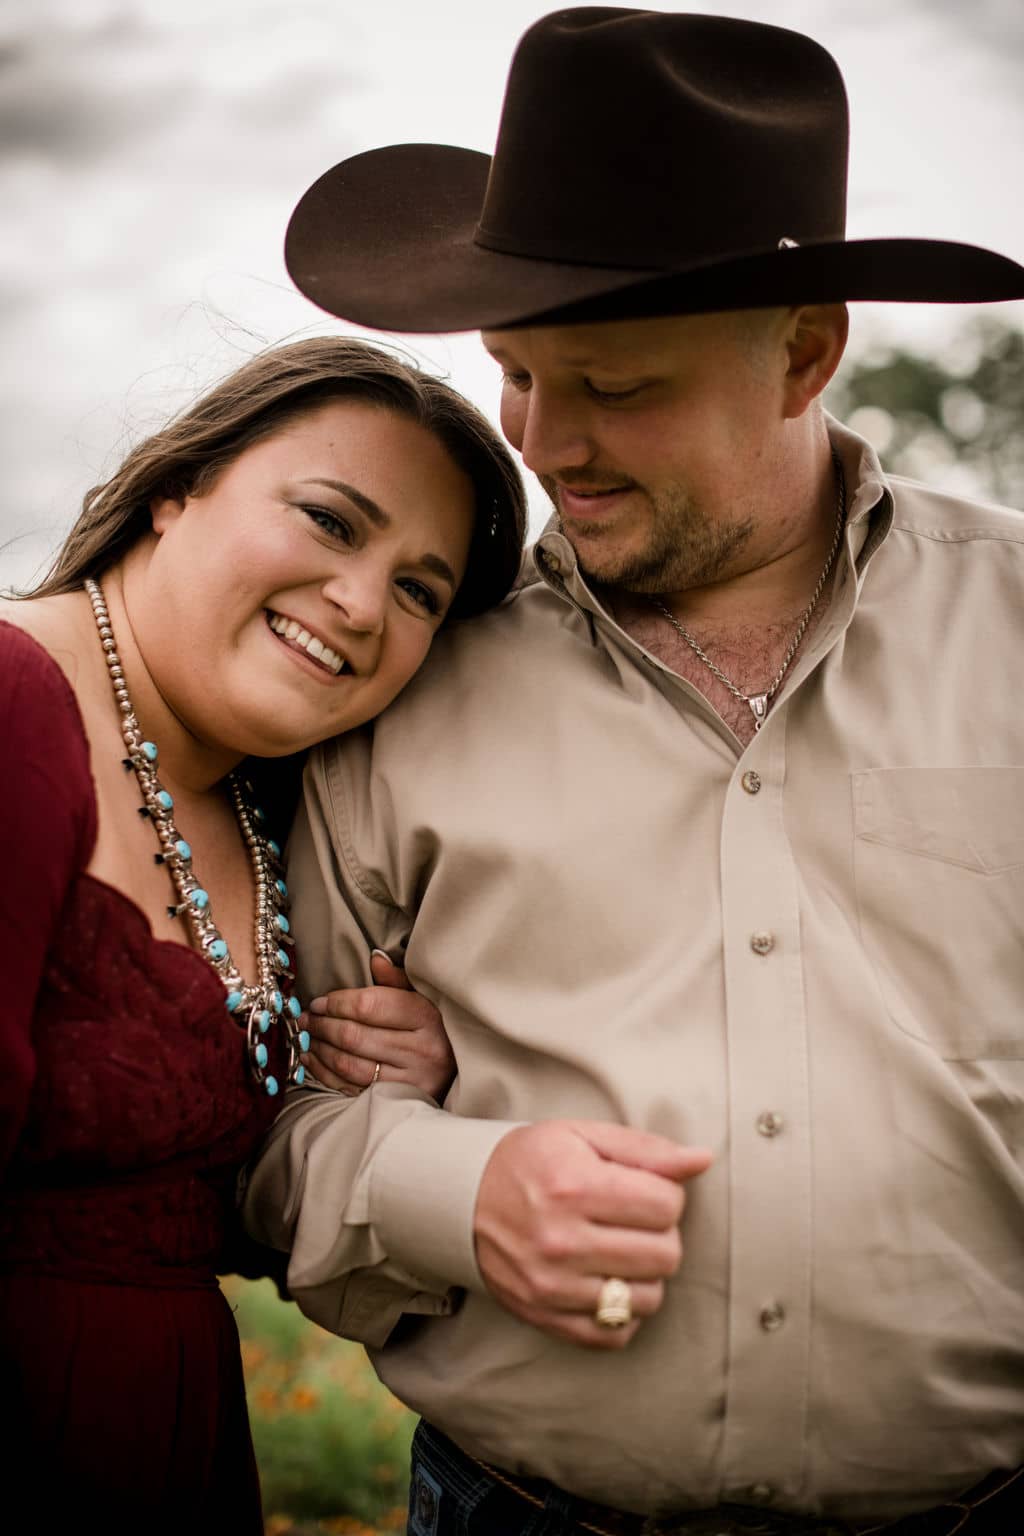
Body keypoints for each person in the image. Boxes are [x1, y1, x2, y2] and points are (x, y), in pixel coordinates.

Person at [242, 10, 1024, 1536]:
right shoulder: (402, 687)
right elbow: (270, 1137)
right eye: (518, 375)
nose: (547, 441)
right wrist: (448, 1184)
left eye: (617, 384)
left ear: (804, 353)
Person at [0, 334, 527, 1531]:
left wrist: (386, 1080)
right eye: (334, 522)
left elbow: (194, 1199)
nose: (360, 602)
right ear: (175, 492)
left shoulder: (268, 811)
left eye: (418, 591)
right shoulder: (11, 700)